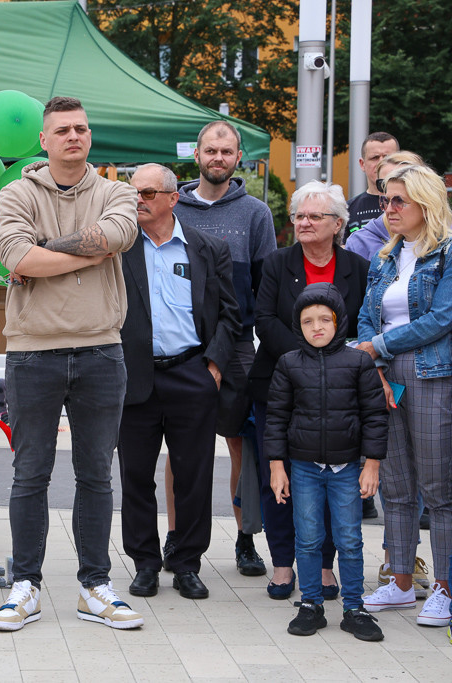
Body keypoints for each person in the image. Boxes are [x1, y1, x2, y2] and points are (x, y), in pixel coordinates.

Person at [0, 96, 141, 632]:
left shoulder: (116, 191)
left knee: (96, 474)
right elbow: (16, 257)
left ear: (89, 137)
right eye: (62, 130)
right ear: (45, 141)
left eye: (81, 128)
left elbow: (120, 234)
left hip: (102, 347)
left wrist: (47, 250)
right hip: (33, 351)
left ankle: (94, 587)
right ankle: (25, 586)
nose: (73, 136)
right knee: (30, 473)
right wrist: (89, 250)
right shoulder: (16, 192)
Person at [118, 164, 240, 601]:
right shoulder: (118, 248)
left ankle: (187, 563)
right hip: (135, 377)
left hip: (192, 373)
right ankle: (145, 564)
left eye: (149, 192)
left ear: (173, 198)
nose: (139, 199)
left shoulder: (206, 248)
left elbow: (230, 314)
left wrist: (214, 367)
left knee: (194, 475)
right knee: (135, 476)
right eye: (134, 192)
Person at [248, 181, 370, 600]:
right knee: (277, 476)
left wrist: (328, 361)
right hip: (280, 385)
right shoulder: (276, 263)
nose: (303, 222)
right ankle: (283, 565)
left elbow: (359, 325)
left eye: (314, 216)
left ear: (337, 224)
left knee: (333, 477)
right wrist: (307, 358)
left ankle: (323, 566)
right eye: (299, 215)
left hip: (340, 393)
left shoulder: (358, 267)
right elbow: (263, 319)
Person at [173, 120, 276, 577]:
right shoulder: (171, 207)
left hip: (237, 345)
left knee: (243, 445)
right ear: (197, 155)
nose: (218, 158)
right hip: (180, 345)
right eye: (211, 150)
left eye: (227, 151)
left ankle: (245, 538)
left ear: (239, 158)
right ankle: (177, 540)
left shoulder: (255, 213)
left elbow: (265, 285)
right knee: (178, 450)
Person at [357, 164, 452, 627]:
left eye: (398, 201)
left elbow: (442, 318)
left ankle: (446, 589)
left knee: (439, 490)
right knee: (394, 485)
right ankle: (398, 582)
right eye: (384, 199)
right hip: (384, 374)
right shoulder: (384, 257)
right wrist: (373, 360)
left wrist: (380, 346)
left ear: (425, 204)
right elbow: (364, 315)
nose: (387, 209)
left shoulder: (448, 254)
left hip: (431, 374)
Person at [266, 283, 387, 641]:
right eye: (307, 321)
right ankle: (311, 605)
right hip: (304, 469)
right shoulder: (288, 364)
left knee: (349, 538)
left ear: (339, 321)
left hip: (347, 468)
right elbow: (275, 418)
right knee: (307, 539)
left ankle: (354, 607)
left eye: (324, 319)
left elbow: (375, 416)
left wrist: (372, 464)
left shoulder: (359, 362)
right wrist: (277, 467)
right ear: (297, 326)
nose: (316, 327)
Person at [345, 151, 426, 263]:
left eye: (403, 183)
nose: (391, 190)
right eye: (383, 184)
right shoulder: (360, 242)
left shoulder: (446, 241)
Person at [345, 132, 400, 240]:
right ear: (362, 164)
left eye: (387, 158)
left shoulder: (413, 205)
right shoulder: (347, 209)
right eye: (374, 158)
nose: (381, 163)